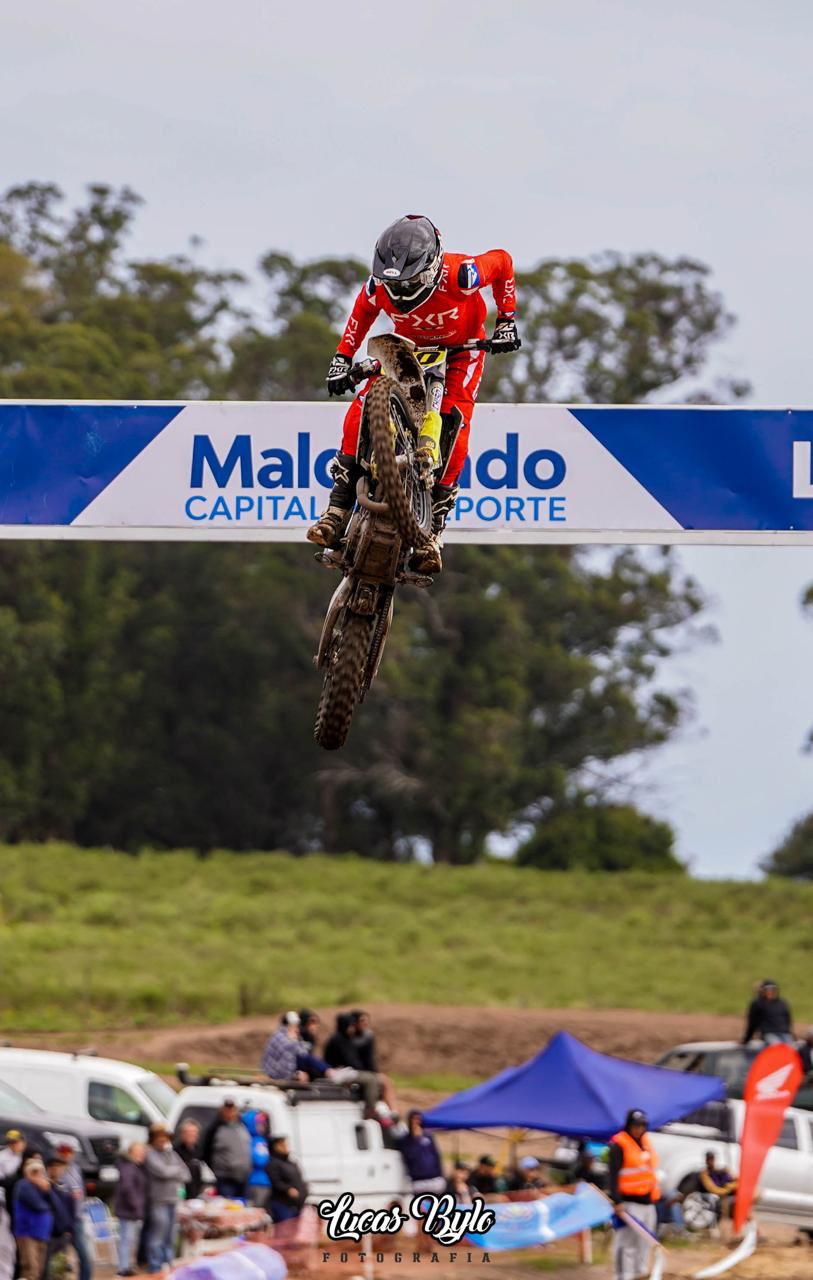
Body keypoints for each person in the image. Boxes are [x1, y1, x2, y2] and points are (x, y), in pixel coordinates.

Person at [307, 214, 520, 574]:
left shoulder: (462, 274)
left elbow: (503, 261)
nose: (401, 293)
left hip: (463, 351)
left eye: (410, 283)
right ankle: (337, 509)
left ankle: (433, 532)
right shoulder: (377, 287)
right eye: (394, 285)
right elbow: (361, 313)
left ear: (432, 268)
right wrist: (342, 358)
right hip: (407, 348)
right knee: (360, 405)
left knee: (457, 425)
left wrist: (506, 320)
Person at [607, 1109, 660, 1280]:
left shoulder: (645, 1142)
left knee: (644, 1242)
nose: (639, 1129)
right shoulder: (620, 1144)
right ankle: (623, 1276)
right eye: (635, 1126)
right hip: (629, 1203)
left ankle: (639, 1273)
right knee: (626, 1243)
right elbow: (612, 1175)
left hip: (648, 1202)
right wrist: (617, 1200)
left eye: (642, 1126)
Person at [143, 1124, 190, 1273]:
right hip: (158, 1200)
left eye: (165, 1138)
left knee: (170, 1235)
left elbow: (186, 1174)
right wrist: (176, 1171)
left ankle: (168, 1263)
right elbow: (163, 1172)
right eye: (159, 1138)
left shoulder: (172, 1154)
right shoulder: (150, 1154)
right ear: (153, 1139)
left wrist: (173, 1171)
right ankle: (155, 1266)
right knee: (157, 1235)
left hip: (173, 1199)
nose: (162, 1141)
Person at [54, 1141, 93, 1280]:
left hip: (77, 1218)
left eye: (69, 1152)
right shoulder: (55, 1169)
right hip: (62, 1220)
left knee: (85, 1257)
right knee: (59, 1258)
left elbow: (81, 1190)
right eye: (63, 1152)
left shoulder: (75, 1167)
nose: (66, 1155)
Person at [12, 1158, 53, 1280]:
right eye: (33, 1171)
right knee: (30, 1269)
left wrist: (48, 1190)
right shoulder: (23, 1185)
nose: (37, 1174)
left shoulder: (44, 1187)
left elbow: (55, 1203)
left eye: (39, 1171)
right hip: (27, 1233)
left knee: (38, 1271)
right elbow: (39, 1205)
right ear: (27, 1172)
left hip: (42, 1233)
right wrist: (40, 1185)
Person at [201, 1100, 252, 1199]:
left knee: (241, 1206)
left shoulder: (242, 1126)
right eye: (227, 1110)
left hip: (243, 1177)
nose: (230, 1113)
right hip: (224, 1178)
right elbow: (205, 1151)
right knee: (227, 1204)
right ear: (222, 1111)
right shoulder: (215, 1128)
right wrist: (215, 1170)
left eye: (232, 1110)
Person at [114, 1142, 147, 1279]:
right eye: (138, 1152)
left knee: (129, 1239)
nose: (141, 1154)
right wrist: (136, 1205)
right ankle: (123, 1268)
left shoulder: (134, 1166)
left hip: (130, 1210)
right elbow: (127, 1188)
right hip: (127, 1210)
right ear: (131, 1153)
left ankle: (126, 1265)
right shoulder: (128, 1166)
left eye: (142, 1152)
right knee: (126, 1239)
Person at [396, 1111, 445, 1195]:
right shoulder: (405, 1141)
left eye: (418, 1119)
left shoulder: (428, 1137)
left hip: (434, 1179)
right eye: (414, 1119)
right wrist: (415, 1139)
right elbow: (409, 1156)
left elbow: (436, 1155)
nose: (416, 1122)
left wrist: (441, 1174)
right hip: (418, 1181)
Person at [45, 1154, 76, 1277]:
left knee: (62, 1270)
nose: (56, 1169)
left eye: (59, 1166)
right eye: (52, 1166)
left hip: (63, 1236)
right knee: (48, 1270)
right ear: (48, 1169)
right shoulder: (45, 1187)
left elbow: (71, 1211)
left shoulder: (66, 1187)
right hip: (49, 1235)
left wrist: (70, 1230)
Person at [265, 1136, 308, 1224]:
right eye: (282, 1145)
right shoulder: (272, 1163)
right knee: (286, 1227)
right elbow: (275, 1181)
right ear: (275, 1147)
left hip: (297, 1204)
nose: (285, 1147)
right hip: (282, 1204)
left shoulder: (291, 1163)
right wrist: (287, 1189)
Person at [742, 979, 794, 1044]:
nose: (771, 992)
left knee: (790, 1047)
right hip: (769, 1033)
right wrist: (746, 1040)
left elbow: (788, 1020)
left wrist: (792, 1035)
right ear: (763, 991)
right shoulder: (758, 1004)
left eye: (773, 989)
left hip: (784, 1032)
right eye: (768, 990)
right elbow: (752, 1023)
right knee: (776, 1046)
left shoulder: (782, 1003)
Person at [242, 1111, 271, 1209]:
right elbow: (260, 1160)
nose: (262, 1127)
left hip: (261, 1181)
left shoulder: (260, 1140)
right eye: (259, 1124)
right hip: (256, 1181)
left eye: (263, 1124)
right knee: (256, 1209)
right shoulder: (254, 1141)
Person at [698, 1151, 738, 1218]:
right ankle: (723, 1218)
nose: (710, 1161)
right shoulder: (705, 1173)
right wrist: (727, 1189)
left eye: (712, 1159)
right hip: (715, 1195)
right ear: (706, 1161)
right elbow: (713, 1189)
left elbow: (734, 1180)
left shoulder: (719, 1171)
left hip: (724, 1191)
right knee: (722, 1199)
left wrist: (729, 1173)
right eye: (709, 1159)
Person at [173, 1120, 205, 1201]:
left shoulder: (200, 1149)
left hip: (198, 1191)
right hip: (181, 1191)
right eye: (188, 1132)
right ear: (182, 1134)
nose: (191, 1135)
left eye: (194, 1132)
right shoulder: (175, 1150)